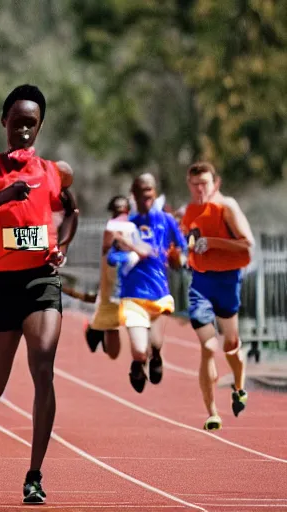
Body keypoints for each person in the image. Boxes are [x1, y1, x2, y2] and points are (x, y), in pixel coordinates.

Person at [0, 84, 78, 505]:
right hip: (1, 287)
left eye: (32, 124)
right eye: (18, 122)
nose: (24, 131)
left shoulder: (53, 171)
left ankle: (35, 475)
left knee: (43, 365)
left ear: (40, 126)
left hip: (41, 279)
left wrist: (62, 244)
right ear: (3, 120)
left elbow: (72, 211)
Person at [181, 161, 253, 431]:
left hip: (228, 280)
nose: (200, 190)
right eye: (195, 184)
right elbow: (190, 235)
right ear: (189, 185)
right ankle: (212, 413)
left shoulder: (228, 207)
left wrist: (212, 243)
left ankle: (239, 384)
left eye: (205, 184)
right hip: (201, 283)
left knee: (231, 345)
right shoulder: (189, 211)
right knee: (208, 346)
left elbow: (247, 246)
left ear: (216, 183)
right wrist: (186, 247)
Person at [107, 173, 186, 393]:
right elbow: (112, 258)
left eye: (149, 190)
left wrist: (178, 258)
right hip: (133, 295)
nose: (146, 196)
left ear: (155, 192)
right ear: (134, 195)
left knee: (156, 345)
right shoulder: (127, 225)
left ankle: (157, 356)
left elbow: (181, 249)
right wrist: (131, 255)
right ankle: (137, 364)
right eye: (141, 191)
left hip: (159, 294)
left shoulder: (166, 220)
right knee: (140, 351)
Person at [64, 195, 137, 358]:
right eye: (117, 211)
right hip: (112, 292)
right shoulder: (110, 233)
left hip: (134, 290)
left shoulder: (136, 226)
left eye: (124, 210)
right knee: (113, 353)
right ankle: (94, 328)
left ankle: (96, 328)